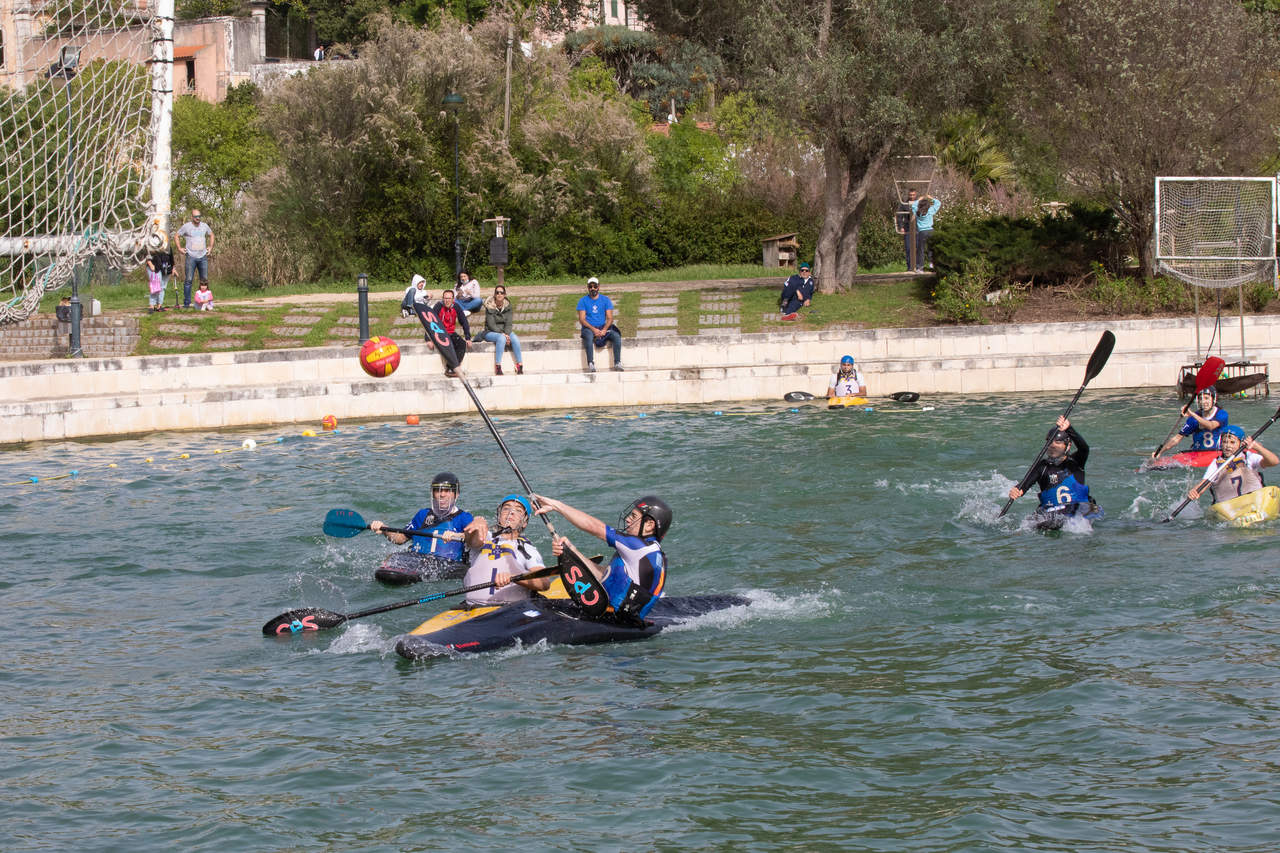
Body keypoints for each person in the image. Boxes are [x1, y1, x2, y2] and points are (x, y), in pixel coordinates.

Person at [532, 493, 671, 623]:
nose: (628, 519)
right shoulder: (650, 551)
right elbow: (606, 577)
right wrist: (572, 551)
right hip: (621, 619)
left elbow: (594, 527)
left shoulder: (638, 547)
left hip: (612, 621)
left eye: (634, 516)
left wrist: (556, 506)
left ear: (649, 525)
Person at [369, 472, 479, 571]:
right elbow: (400, 538)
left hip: (449, 564)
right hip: (418, 561)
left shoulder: (464, 517)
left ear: (456, 494)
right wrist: (384, 529)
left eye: (447, 490)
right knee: (393, 558)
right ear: (433, 494)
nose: (442, 495)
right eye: (438, 490)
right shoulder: (422, 514)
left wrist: (458, 535)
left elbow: (474, 538)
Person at [460, 495, 553, 606]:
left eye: (518, 510)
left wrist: (515, 577)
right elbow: (471, 540)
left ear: (524, 522)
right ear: (499, 515)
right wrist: (476, 523)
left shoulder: (527, 548)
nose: (511, 512)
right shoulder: (485, 536)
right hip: (471, 607)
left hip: (509, 609)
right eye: (506, 508)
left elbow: (544, 583)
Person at [1006, 416, 1097, 517]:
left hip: (1076, 510)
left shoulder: (1076, 462)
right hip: (1052, 513)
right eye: (1050, 442)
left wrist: (1069, 428)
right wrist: (1016, 490)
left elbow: (1084, 448)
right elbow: (1024, 486)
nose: (1053, 446)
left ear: (1068, 446)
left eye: (1058, 442)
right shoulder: (1042, 466)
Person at [1186, 425, 1279, 505]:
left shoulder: (1248, 457)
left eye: (1232, 442)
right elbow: (1205, 483)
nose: (1228, 446)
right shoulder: (1216, 464)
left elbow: (1274, 462)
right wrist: (1195, 491)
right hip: (1230, 507)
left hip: (1255, 501)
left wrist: (1257, 447)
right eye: (1224, 442)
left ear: (1241, 444)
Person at [1153, 387, 1229, 457]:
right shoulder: (1193, 418)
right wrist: (1160, 452)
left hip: (1217, 452)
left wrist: (1191, 414)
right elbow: (1177, 438)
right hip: (1198, 454)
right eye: (1201, 399)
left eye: (1206, 398)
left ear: (1213, 399)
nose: (1203, 401)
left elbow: (1211, 426)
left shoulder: (1222, 414)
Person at [420, 288, 471, 375]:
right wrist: (428, 339)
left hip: (450, 332)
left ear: (453, 299)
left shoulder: (456, 307)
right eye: (445, 298)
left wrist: (468, 338)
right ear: (443, 299)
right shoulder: (438, 306)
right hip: (439, 333)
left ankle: (452, 368)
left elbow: (464, 322)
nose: (447, 300)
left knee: (462, 344)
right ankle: (451, 369)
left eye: (449, 298)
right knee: (449, 344)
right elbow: (430, 322)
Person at [576, 276, 622, 372]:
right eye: (590, 286)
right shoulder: (583, 301)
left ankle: (617, 363)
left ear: (598, 287)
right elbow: (582, 319)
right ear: (588, 287)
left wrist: (604, 329)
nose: (593, 288)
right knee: (588, 337)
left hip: (602, 327)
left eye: (595, 286)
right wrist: (594, 330)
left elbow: (610, 318)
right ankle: (590, 363)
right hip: (588, 328)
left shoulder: (605, 300)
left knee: (616, 336)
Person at [477, 284, 522, 375]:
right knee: (501, 338)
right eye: (497, 292)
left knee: (515, 339)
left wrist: (507, 334)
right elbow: (491, 325)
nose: (499, 294)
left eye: (501, 292)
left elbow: (509, 323)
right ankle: (498, 366)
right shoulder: (489, 306)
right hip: (490, 332)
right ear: (495, 294)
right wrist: (504, 335)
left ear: (504, 294)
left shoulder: (508, 306)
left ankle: (519, 365)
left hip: (504, 331)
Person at [174, 209, 213, 309]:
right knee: (188, 280)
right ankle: (187, 303)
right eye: (196, 217)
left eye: (199, 216)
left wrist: (210, 247)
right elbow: (177, 235)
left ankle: (206, 302)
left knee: (204, 280)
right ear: (192, 217)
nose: (198, 218)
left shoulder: (204, 226)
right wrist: (179, 248)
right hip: (191, 257)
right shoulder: (186, 226)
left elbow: (211, 234)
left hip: (203, 256)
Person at [914, 194, 941, 273]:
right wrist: (930, 198)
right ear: (928, 206)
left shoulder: (917, 212)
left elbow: (913, 205)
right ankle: (932, 263)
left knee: (921, 250)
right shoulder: (931, 211)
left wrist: (919, 199)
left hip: (922, 232)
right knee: (931, 248)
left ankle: (920, 268)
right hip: (931, 231)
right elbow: (938, 203)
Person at [895, 189, 919, 270]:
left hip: (918, 227)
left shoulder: (919, 203)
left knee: (918, 248)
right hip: (908, 227)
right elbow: (899, 216)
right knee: (908, 248)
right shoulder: (904, 204)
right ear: (908, 195)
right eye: (910, 195)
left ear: (916, 195)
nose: (912, 196)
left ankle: (918, 266)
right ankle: (909, 267)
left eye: (913, 195)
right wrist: (901, 227)